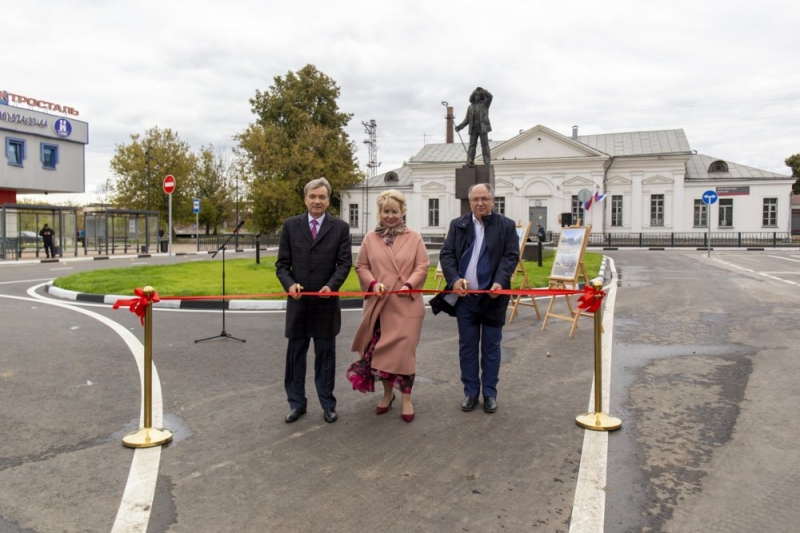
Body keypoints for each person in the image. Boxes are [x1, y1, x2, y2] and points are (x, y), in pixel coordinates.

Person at [347, 190, 430, 423]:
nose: (390, 216)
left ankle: (406, 398)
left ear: (402, 211)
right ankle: (386, 394)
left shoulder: (414, 237)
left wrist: (409, 285)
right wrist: (373, 284)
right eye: (386, 211)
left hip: (407, 306)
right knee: (381, 353)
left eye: (395, 211)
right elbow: (361, 266)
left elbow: (422, 266)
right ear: (379, 213)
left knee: (403, 354)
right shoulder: (370, 238)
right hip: (380, 307)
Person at [437, 182, 519, 413]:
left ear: (493, 200)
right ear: (470, 201)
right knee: (468, 347)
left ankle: (490, 393)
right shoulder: (458, 225)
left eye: (484, 198)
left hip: (494, 297)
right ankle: (470, 392)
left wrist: (500, 281)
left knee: (492, 348)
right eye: (475, 199)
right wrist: (454, 280)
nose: (480, 203)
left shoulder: (506, 226)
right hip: (466, 299)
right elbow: (447, 255)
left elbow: (510, 256)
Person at [276, 177, 352, 424]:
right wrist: (290, 285)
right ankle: (296, 404)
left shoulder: (340, 228)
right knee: (296, 357)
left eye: (322, 197)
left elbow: (344, 264)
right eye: (313, 196)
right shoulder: (290, 226)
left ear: (328, 200)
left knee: (325, 357)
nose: (317, 201)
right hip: (298, 304)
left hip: (325, 304)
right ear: (305, 199)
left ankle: (327, 404)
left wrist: (332, 286)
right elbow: (281, 266)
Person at [454, 87, 493, 166]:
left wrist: (483, 91)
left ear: (481, 96)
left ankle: (487, 161)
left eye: (479, 95)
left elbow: (490, 97)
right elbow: (467, 120)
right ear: (473, 97)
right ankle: (470, 161)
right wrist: (459, 127)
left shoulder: (485, 105)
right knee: (472, 146)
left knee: (485, 145)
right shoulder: (470, 107)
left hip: (483, 128)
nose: (477, 97)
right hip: (473, 129)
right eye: (476, 95)